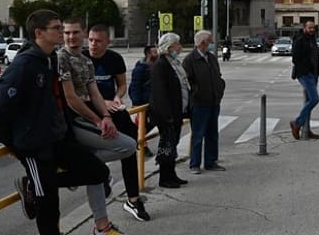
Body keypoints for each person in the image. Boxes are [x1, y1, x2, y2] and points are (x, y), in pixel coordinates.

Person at [0, 9, 110, 235]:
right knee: (49, 205)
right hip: (34, 147)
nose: (61, 32)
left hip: (57, 139)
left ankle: (35, 185)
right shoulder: (23, 67)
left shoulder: (49, 59)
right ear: (39, 33)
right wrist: (16, 146)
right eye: (56, 28)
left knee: (98, 171)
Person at [57, 17, 137, 235]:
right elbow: (71, 98)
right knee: (127, 146)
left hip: (89, 117)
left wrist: (106, 117)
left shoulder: (85, 61)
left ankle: (101, 228)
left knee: (95, 169)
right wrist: (96, 120)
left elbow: (94, 93)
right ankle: (76, 170)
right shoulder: (61, 58)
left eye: (75, 33)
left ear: (82, 33)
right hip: (72, 121)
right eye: (66, 33)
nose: (71, 37)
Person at [85, 25, 149, 221]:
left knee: (131, 147)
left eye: (98, 41)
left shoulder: (114, 59)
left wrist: (117, 97)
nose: (93, 44)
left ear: (107, 42)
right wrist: (101, 103)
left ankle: (133, 199)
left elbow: (121, 84)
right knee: (92, 151)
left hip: (112, 110)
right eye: (90, 40)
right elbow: (75, 92)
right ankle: (102, 175)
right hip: (88, 111)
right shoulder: (81, 59)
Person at [149, 33, 189, 188]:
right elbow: (160, 93)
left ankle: (171, 174)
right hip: (167, 115)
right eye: (177, 44)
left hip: (176, 113)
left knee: (172, 145)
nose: (180, 47)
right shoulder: (161, 65)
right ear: (169, 47)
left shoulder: (173, 63)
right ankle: (164, 178)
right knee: (166, 146)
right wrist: (168, 116)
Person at [183, 30, 226, 173]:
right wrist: (197, 92)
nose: (212, 44)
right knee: (198, 134)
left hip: (214, 101)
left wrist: (220, 88)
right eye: (210, 41)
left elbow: (218, 75)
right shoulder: (190, 59)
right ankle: (195, 163)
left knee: (213, 134)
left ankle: (211, 161)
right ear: (203, 43)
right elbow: (187, 82)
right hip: (200, 103)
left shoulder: (212, 58)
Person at [289, 20, 319, 140]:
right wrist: (307, 69)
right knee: (314, 99)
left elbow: (315, 55)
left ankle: (306, 129)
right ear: (304, 28)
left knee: (308, 102)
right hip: (305, 74)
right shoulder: (300, 40)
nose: (312, 30)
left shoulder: (312, 39)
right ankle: (297, 123)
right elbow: (295, 59)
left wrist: (317, 70)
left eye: (313, 28)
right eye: (309, 28)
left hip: (314, 73)